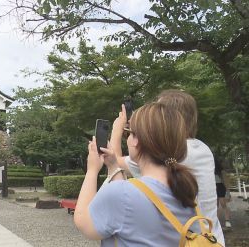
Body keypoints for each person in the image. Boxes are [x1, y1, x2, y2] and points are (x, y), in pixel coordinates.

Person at [75, 103, 201, 246]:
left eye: (129, 133)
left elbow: (83, 222)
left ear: (136, 141)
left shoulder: (122, 194)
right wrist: (113, 166)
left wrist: (92, 170)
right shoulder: (187, 188)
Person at [109, 89, 224, 245]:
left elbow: (115, 161)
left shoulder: (168, 155)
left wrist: (118, 129)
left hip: (184, 242)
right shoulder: (201, 148)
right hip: (210, 240)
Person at [215, 158, 232, 228]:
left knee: (223, 204)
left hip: (221, 188)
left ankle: (227, 220)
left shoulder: (222, 172)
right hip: (214, 188)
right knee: (215, 206)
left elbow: (226, 182)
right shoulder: (210, 172)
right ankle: (215, 220)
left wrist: (228, 192)